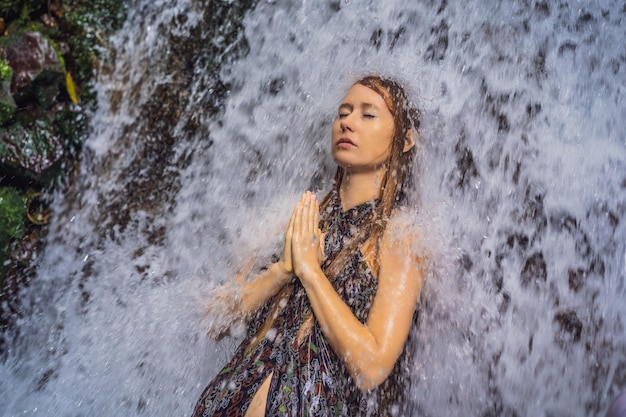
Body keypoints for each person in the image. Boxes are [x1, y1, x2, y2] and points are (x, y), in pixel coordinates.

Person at [191, 75, 426, 417]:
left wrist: (310, 273)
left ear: (405, 140)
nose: (347, 121)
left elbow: (371, 367)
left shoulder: (401, 235)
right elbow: (214, 322)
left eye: (367, 114)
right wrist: (281, 271)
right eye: (343, 112)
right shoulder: (294, 213)